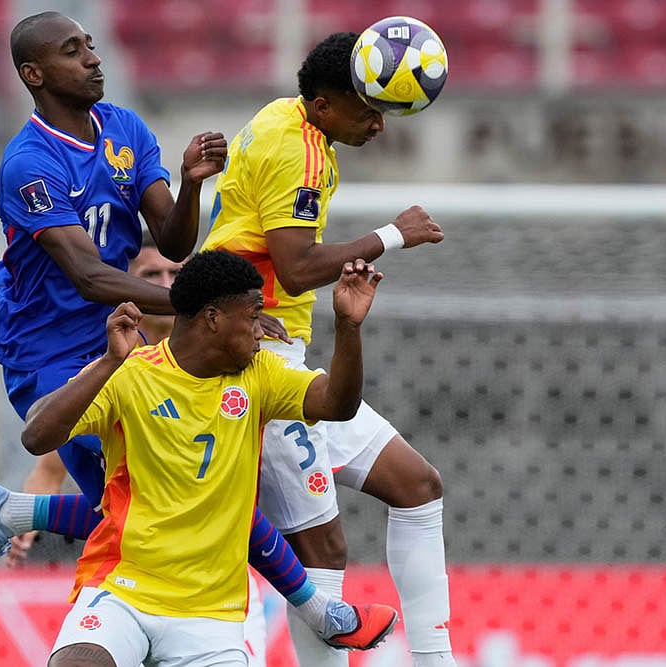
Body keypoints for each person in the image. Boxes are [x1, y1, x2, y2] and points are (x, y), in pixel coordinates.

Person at [0, 10, 395, 652]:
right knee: (162, 498)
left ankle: (11, 515)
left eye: (92, 45)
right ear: (34, 73)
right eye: (73, 51)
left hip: (123, 331)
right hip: (47, 347)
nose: (93, 58)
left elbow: (174, 239)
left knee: (186, 483)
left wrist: (189, 186)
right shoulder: (28, 164)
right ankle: (317, 611)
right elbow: (87, 275)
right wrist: (192, 305)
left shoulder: (125, 129)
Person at [199, 32, 456, 667]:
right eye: (369, 111)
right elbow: (295, 268)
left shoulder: (282, 118)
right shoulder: (302, 153)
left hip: (276, 348)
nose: (379, 125)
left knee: (417, 486)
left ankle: (435, 657)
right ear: (323, 103)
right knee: (322, 552)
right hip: (254, 363)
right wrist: (394, 234)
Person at [22, 250, 387, 667]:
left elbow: (338, 404)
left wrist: (348, 326)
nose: (259, 330)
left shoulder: (260, 375)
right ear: (213, 318)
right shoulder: (130, 373)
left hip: (210, 616)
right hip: (123, 588)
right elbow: (36, 436)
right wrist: (107, 363)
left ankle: (9, 511)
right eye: (252, 317)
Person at [6, 238, 269, 665]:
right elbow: (51, 452)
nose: (166, 287)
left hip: (210, 590)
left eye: (176, 276)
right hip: (130, 577)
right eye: (152, 276)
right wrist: (33, 506)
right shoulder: (115, 361)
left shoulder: (243, 361)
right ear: (126, 287)